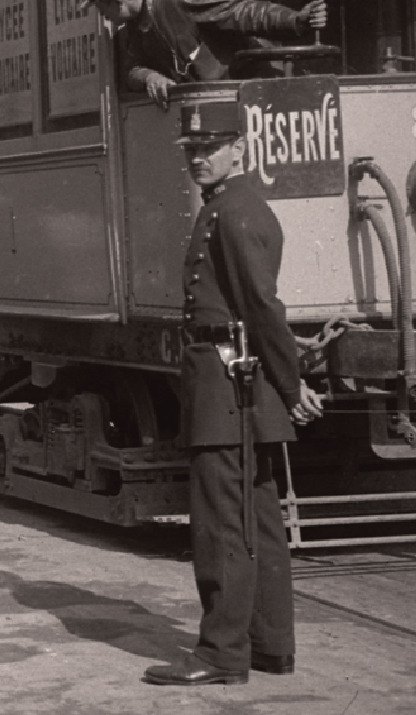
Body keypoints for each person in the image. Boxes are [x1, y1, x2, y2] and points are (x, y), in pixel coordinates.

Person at [145, 100, 326, 687]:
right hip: (235, 382)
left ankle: (222, 654)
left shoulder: (235, 213)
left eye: (211, 148)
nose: (199, 158)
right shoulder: (229, 207)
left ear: (240, 149)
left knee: (224, 521)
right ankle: (270, 646)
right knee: (258, 517)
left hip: (228, 384)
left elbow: (261, 306)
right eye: (193, 150)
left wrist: (290, 383)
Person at [78, 0, 331, 107]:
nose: (103, 17)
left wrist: (295, 21)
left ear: (116, 2)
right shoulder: (135, 24)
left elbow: (244, 12)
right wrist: (150, 77)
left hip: (249, 98)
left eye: (101, 9)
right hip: (212, 107)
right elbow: (132, 70)